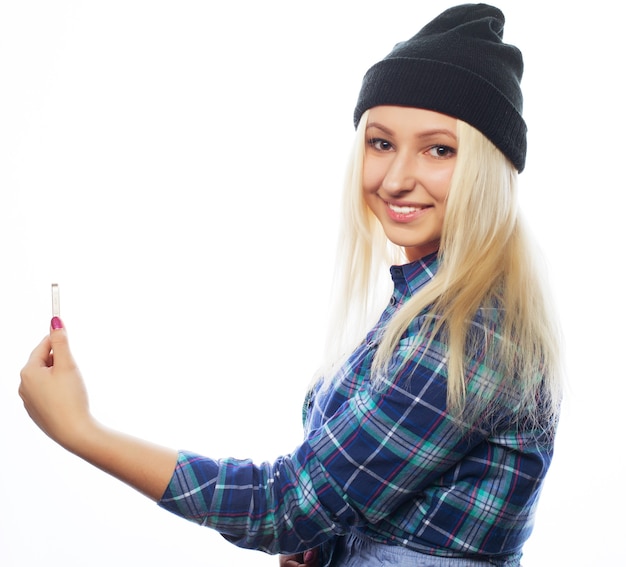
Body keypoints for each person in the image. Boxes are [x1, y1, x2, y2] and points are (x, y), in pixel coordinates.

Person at [19, 4, 562, 567]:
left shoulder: (470, 333)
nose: (397, 178)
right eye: (380, 143)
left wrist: (81, 431)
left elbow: (285, 507)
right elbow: (350, 498)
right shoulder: (426, 301)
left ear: (489, 167)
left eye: (439, 149)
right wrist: (328, 546)